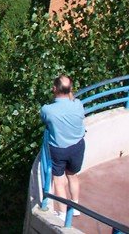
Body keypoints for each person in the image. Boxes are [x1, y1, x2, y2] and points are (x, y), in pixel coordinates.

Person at [41, 75, 85, 219]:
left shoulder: (47, 110)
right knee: (72, 176)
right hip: (77, 146)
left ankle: (61, 212)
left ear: (54, 89)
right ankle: (76, 207)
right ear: (70, 90)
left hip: (59, 149)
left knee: (59, 181)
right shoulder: (78, 104)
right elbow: (71, 99)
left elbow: (45, 121)